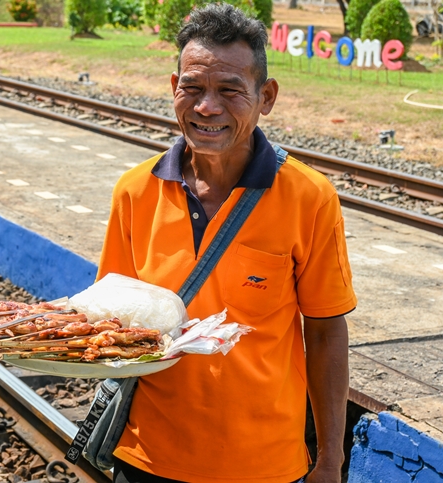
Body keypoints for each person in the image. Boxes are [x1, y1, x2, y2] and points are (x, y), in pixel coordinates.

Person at [96, 4, 357, 483]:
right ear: (173, 87)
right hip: (148, 455)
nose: (206, 107)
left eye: (230, 91)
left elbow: (325, 333)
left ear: (267, 96)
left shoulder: (309, 198)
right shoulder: (135, 191)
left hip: (264, 464)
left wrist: (330, 460)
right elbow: (112, 319)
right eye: (191, 88)